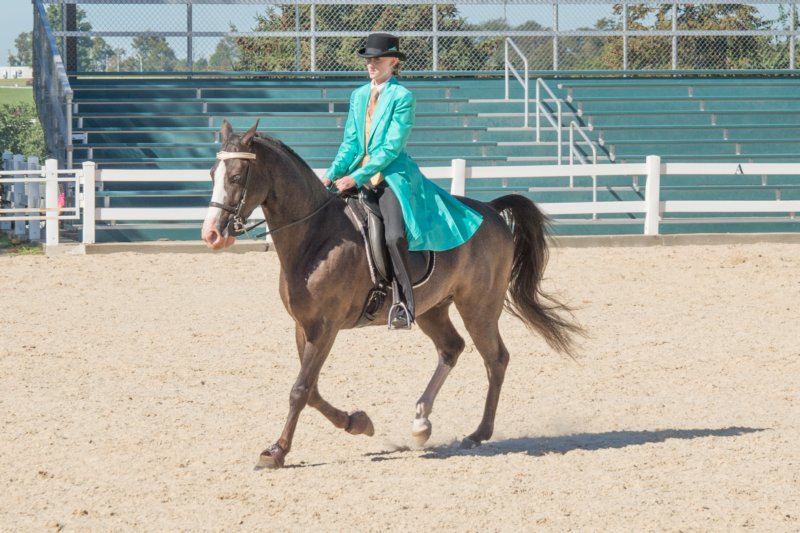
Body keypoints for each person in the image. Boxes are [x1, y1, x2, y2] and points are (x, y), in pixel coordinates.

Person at [322, 32, 483, 330]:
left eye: (378, 60)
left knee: (394, 235)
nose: (371, 65)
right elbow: (351, 143)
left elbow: (391, 148)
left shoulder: (403, 97)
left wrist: (356, 177)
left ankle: (404, 303)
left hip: (391, 176)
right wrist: (332, 173)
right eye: (369, 60)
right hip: (357, 173)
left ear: (393, 62)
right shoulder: (358, 95)